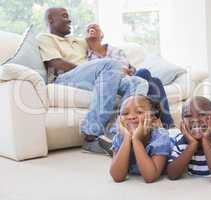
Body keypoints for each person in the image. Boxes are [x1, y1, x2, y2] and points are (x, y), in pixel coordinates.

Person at [37, 7, 148, 155]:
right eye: (64, 16)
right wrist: (93, 70)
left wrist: (127, 67)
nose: (69, 19)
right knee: (109, 64)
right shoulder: (45, 38)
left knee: (138, 82)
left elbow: (98, 48)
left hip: (90, 78)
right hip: (64, 78)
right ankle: (90, 136)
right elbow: (55, 64)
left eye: (68, 16)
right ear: (51, 19)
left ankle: (118, 132)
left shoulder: (78, 41)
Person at [85, 23, 175, 129]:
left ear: (102, 35)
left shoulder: (115, 50)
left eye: (96, 28)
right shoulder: (87, 56)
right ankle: (168, 126)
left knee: (154, 80)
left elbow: (128, 68)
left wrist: (129, 70)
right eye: (88, 29)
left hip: (127, 79)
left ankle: (162, 127)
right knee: (146, 75)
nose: (92, 30)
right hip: (111, 84)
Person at [110, 95, 171, 183]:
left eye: (139, 112)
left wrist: (136, 140)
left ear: (153, 118)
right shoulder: (120, 137)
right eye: (125, 113)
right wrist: (127, 138)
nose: (131, 117)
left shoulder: (160, 137)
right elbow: (117, 177)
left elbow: (150, 177)